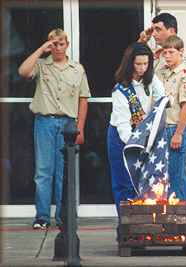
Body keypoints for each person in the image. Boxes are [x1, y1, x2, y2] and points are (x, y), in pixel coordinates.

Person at [18, 28, 91, 229]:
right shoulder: (41, 65)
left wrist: (81, 128)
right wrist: (42, 49)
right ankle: (42, 217)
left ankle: (63, 217)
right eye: (53, 43)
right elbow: (23, 72)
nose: (57, 47)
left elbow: (83, 99)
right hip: (44, 122)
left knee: (64, 172)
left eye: (60, 43)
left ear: (67, 44)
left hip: (68, 124)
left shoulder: (77, 69)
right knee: (43, 171)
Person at [107, 42, 165, 216]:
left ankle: (140, 224)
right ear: (130, 63)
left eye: (146, 64)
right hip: (122, 138)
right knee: (124, 183)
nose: (142, 68)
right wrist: (137, 145)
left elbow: (162, 97)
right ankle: (126, 225)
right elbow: (123, 126)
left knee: (142, 182)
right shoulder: (121, 90)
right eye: (138, 64)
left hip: (142, 136)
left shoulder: (149, 79)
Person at [157, 36, 186, 201]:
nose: (167, 56)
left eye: (171, 52)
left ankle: (183, 219)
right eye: (165, 52)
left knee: (176, 177)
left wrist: (178, 133)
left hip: (175, 128)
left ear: (181, 53)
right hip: (162, 128)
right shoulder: (162, 72)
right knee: (166, 176)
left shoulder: (185, 75)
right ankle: (174, 217)